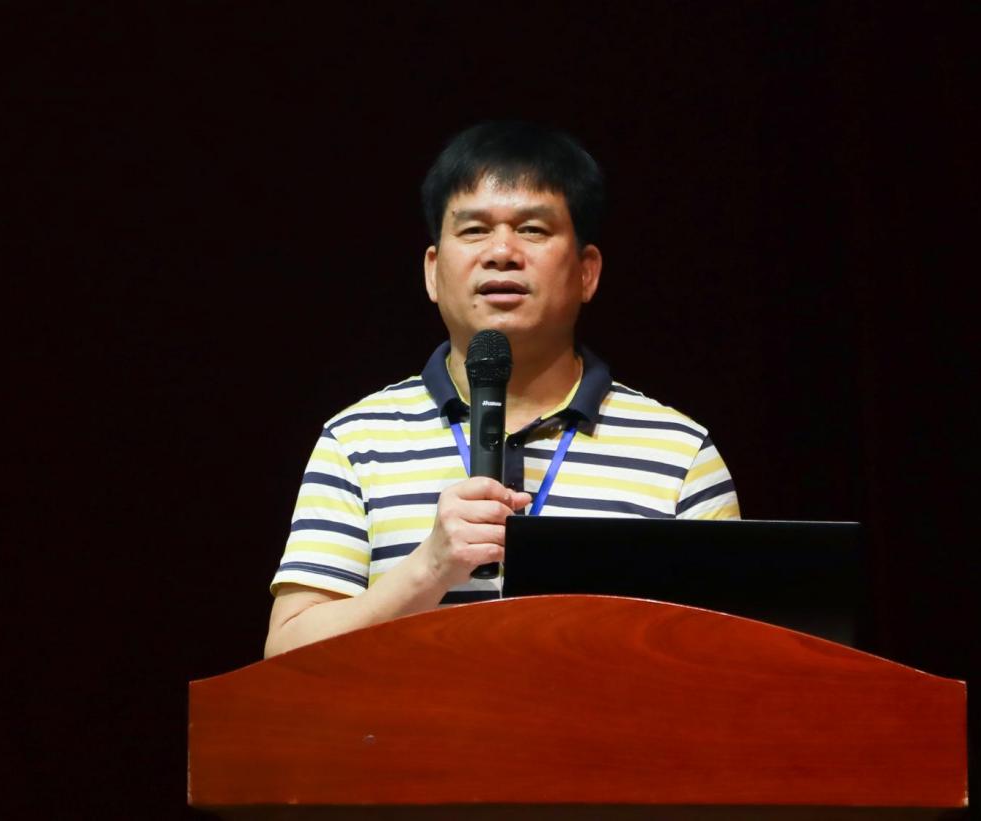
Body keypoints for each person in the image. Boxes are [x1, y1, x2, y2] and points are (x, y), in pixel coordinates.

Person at [264, 122, 739, 656]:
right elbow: (284, 657)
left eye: (533, 229)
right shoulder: (356, 442)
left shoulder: (680, 455)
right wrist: (429, 568)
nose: (502, 252)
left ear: (587, 272)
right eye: (474, 230)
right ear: (432, 271)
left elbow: (730, 664)